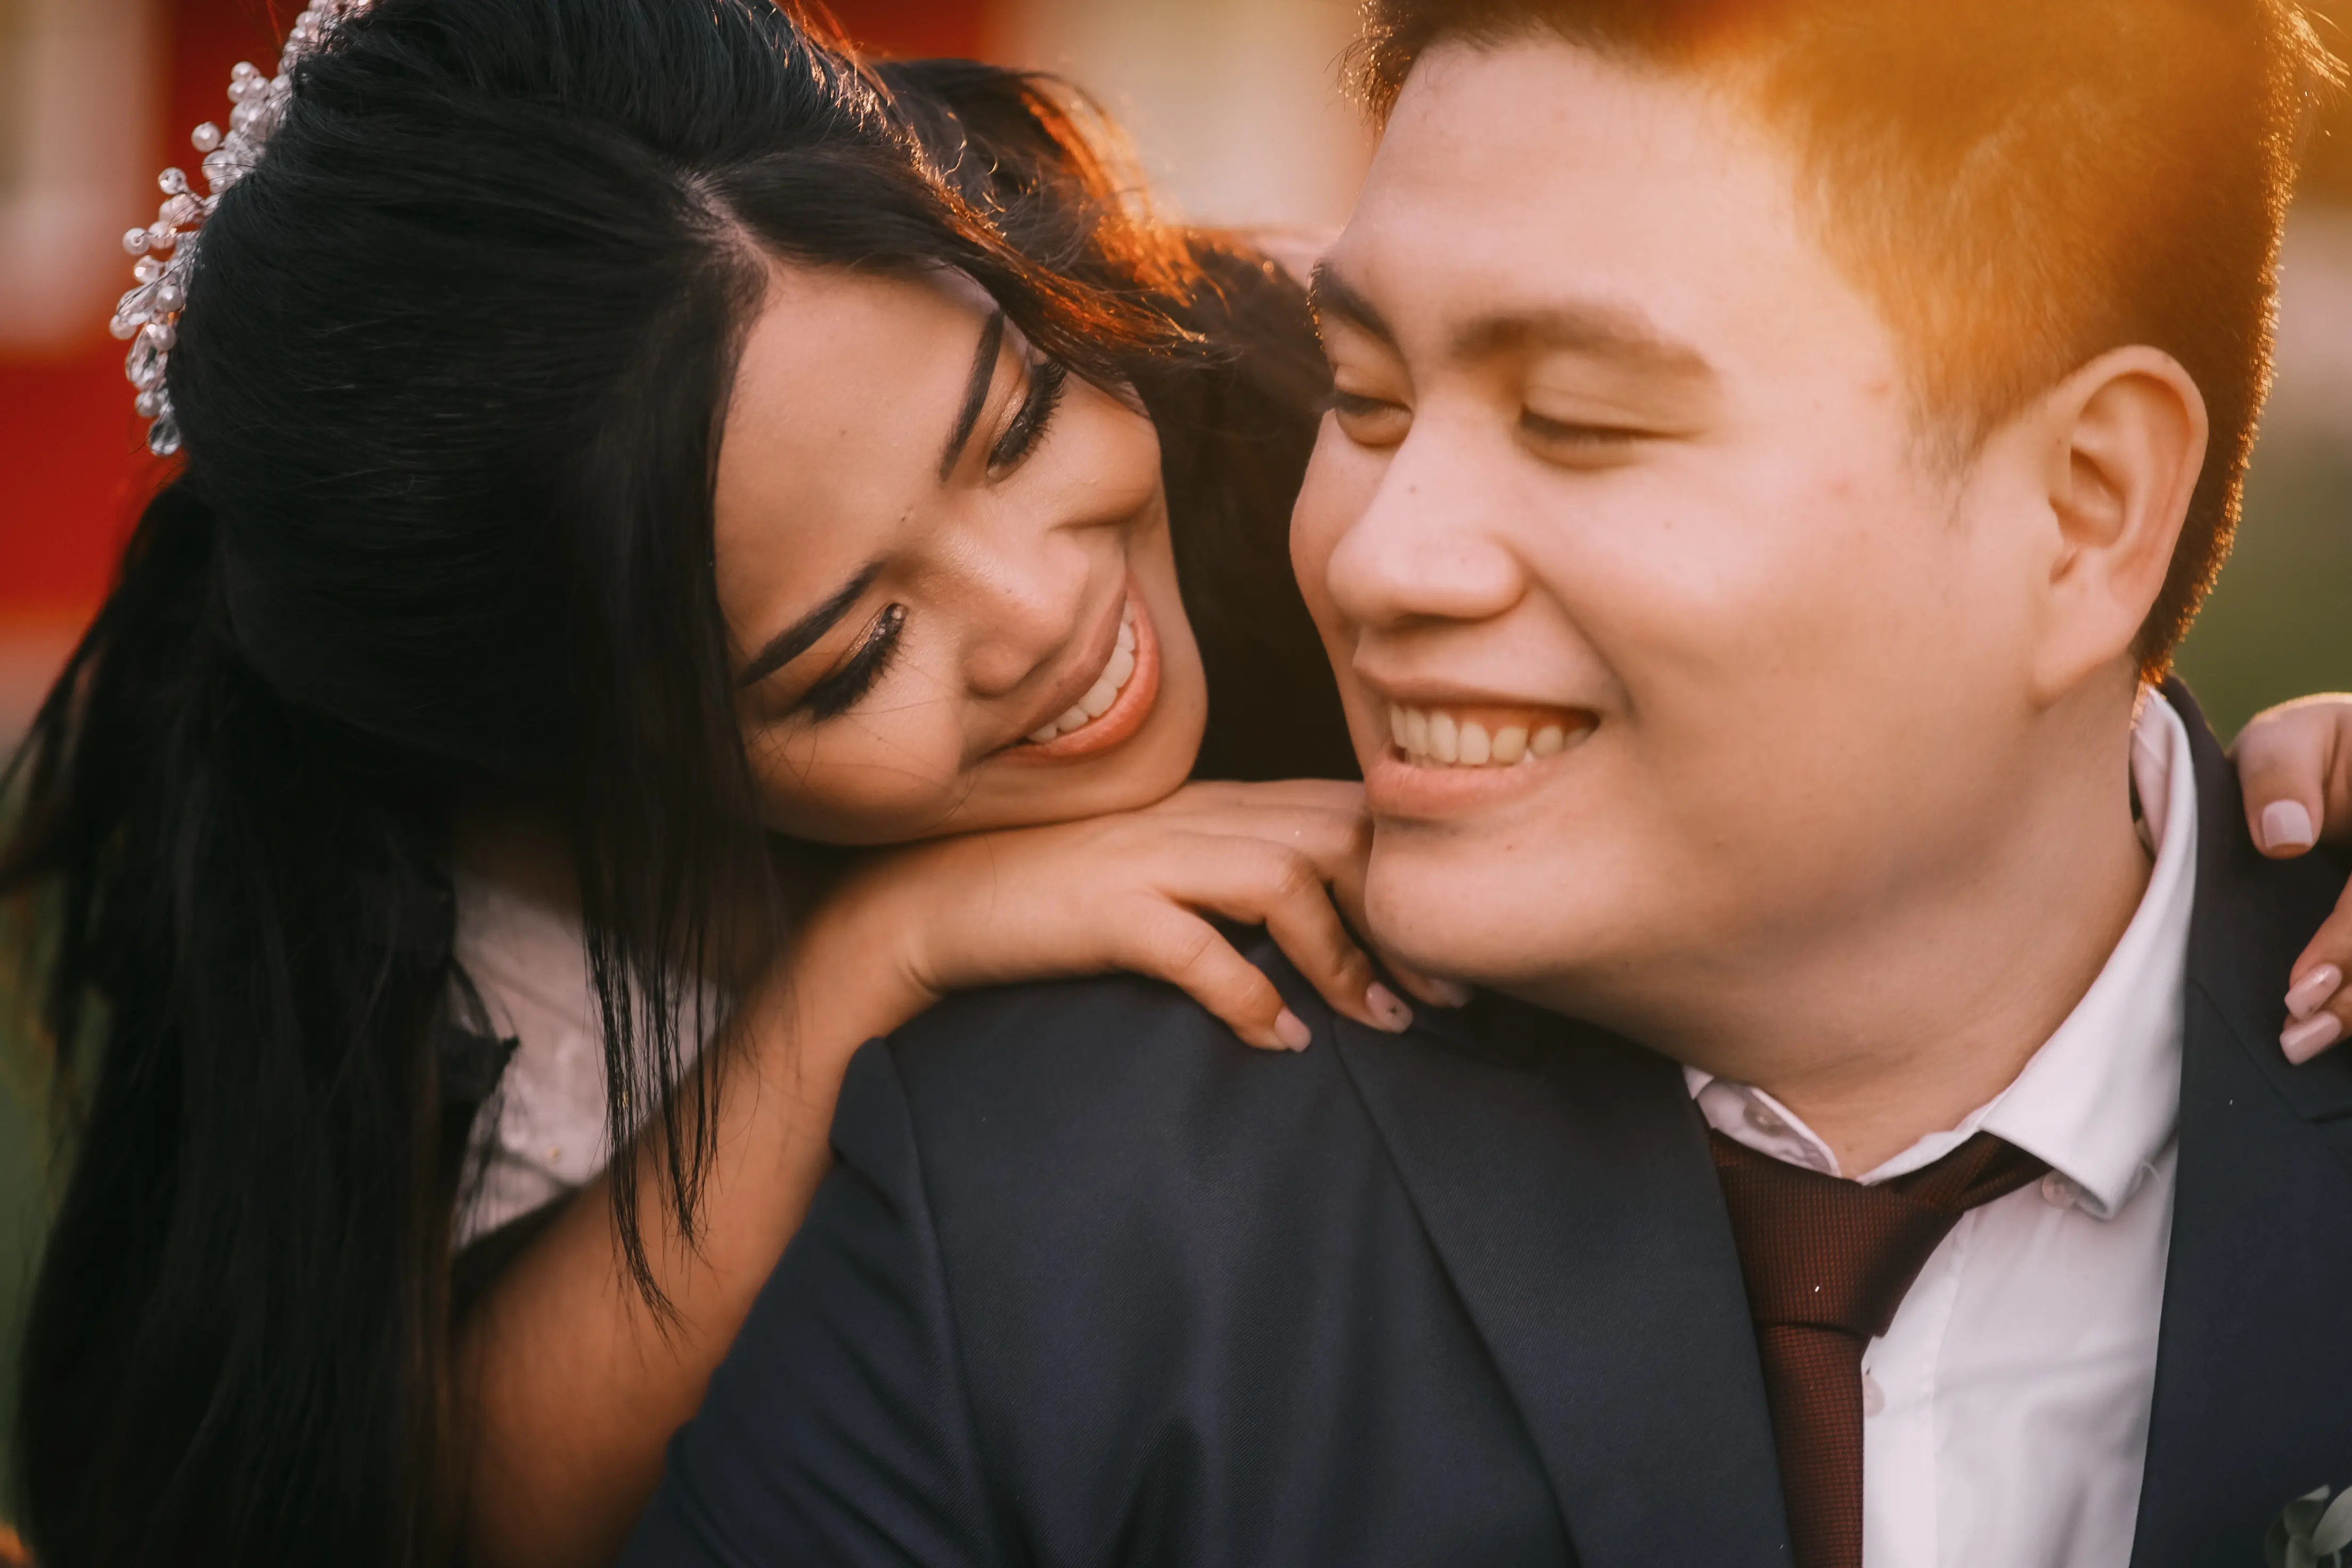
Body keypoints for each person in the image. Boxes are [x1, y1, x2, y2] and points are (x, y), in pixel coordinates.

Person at [623, 3, 2352, 1566]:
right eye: (1363, 397)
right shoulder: (1039, 1218)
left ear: (2083, 510)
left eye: (1581, 421)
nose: (1378, 558)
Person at [2, 3, 1448, 1564]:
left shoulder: (1344, 401)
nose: (1041, 615)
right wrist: (867, 964)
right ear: (586, 761)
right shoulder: (420, 915)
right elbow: (456, 1513)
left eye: (1018, 423)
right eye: (850, 654)